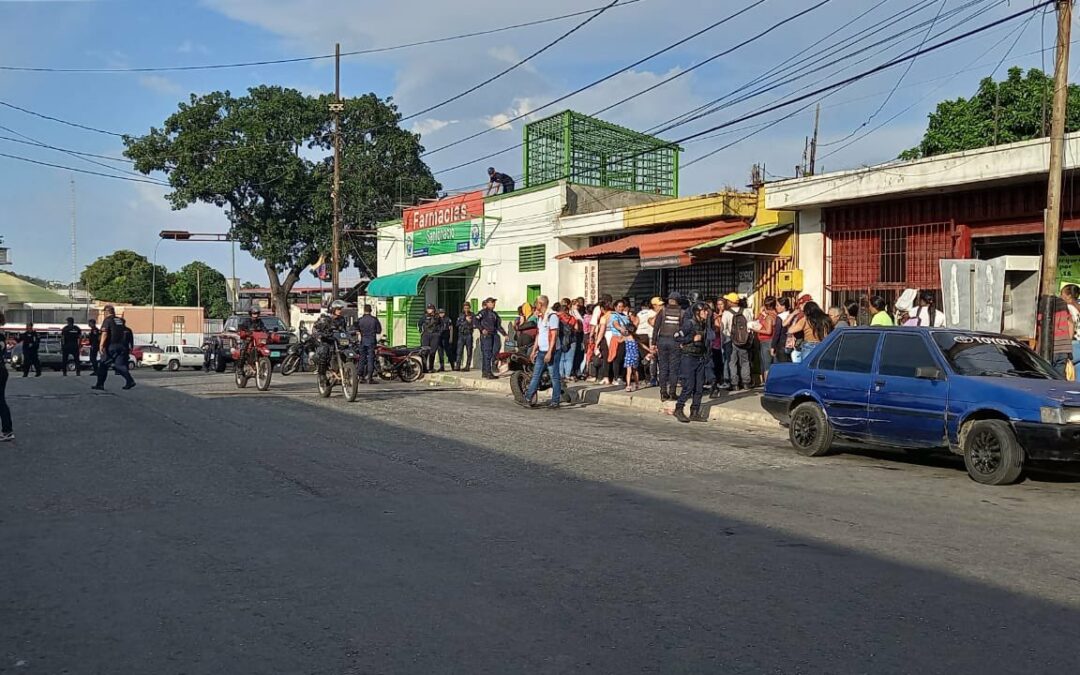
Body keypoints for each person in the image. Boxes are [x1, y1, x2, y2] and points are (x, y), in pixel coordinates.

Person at [517, 295, 562, 410]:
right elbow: (539, 334)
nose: (535, 305)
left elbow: (553, 336)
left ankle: (555, 400)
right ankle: (528, 397)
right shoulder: (541, 317)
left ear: (541, 304)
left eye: (536, 303)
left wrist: (549, 352)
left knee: (554, 376)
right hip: (541, 351)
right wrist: (533, 350)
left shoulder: (552, 316)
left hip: (552, 351)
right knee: (536, 375)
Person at [675, 301, 711, 423]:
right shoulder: (689, 324)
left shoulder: (703, 324)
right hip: (688, 357)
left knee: (699, 387)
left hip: (700, 357)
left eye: (707, 311)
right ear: (697, 312)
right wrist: (691, 338)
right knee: (688, 386)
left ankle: (695, 412)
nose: (707, 313)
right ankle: (679, 409)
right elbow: (676, 337)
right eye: (704, 311)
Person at [92, 305, 136, 391]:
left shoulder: (108, 320)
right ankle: (130, 380)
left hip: (111, 346)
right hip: (122, 346)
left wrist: (101, 345)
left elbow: (104, 333)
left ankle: (100, 384)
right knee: (120, 365)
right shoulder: (120, 320)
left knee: (103, 364)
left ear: (106, 312)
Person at [652, 292, 684, 401]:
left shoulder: (663, 311)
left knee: (663, 367)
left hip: (662, 340)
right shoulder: (682, 312)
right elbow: (684, 330)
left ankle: (663, 392)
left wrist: (653, 343)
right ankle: (672, 393)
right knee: (674, 369)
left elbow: (656, 328)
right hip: (675, 341)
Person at [723, 295, 754, 391]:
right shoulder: (746, 311)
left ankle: (735, 384)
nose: (727, 302)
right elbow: (750, 326)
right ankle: (746, 383)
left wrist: (726, 338)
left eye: (728, 300)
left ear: (731, 302)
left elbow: (723, 328)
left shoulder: (727, 313)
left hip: (731, 341)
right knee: (745, 362)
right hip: (744, 341)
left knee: (732, 362)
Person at [475, 298, 505, 379]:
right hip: (486, 335)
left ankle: (486, 371)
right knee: (487, 353)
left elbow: (498, 326)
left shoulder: (494, 314)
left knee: (493, 352)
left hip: (493, 334)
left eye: (494, 302)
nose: (493, 304)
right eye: (491, 302)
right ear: (487, 303)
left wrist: (505, 334)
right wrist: (482, 329)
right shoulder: (483, 312)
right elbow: (475, 320)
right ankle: (487, 372)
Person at [355, 304, 382, 383]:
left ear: (364, 310)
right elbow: (379, 331)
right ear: (371, 310)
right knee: (370, 359)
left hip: (363, 341)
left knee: (362, 358)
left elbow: (355, 329)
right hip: (371, 341)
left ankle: (360, 376)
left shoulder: (360, 320)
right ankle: (369, 377)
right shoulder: (374, 320)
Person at [555, 299, 579, 384]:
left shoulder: (558, 318)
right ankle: (567, 375)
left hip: (561, 339)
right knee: (569, 359)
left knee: (561, 358)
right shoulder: (573, 318)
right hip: (572, 340)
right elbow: (577, 329)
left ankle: (561, 375)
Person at [756, 296, 778, 383]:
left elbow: (768, 331)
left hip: (766, 340)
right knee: (774, 363)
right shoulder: (775, 315)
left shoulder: (769, 316)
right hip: (773, 340)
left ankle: (767, 384)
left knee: (767, 365)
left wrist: (755, 329)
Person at [0, 311, 13, 441]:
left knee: (0, 401)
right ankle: (7, 430)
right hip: (2, 370)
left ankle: (7, 430)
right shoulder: (2, 336)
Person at [772, 297, 796, 364]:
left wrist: (773, 346)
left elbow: (777, 333)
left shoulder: (780, 317)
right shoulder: (791, 315)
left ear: (783, 306)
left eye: (777, 305)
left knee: (781, 365)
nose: (776, 307)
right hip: (791, 343)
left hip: (781, 344)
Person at [418, 304, 441, 372]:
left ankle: (431, 368)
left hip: (434, 335)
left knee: (432, 352)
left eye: (431, 309)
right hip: (426, 335)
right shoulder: (424, 317)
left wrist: (438, 333)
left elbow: (441, 325)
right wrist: (420, 331)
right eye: (428, 309)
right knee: (424, 352)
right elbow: (419, 324)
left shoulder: (437, 317)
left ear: (434, 309)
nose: (429, 310)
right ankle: (424, 368)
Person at [1062, 284, 1080, 366]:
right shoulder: (1078, 306)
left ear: (1068, 296)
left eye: (1062, 294)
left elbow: (1070, 325)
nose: (1060, 296)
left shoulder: (1068, 307)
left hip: (1073, 344)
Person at [455, 303, 475, 372]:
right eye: (465, 308)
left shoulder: (472, 315)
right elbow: (457, 324)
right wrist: (464, 319)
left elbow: (474, 324)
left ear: (469, 308)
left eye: (467, 308)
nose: (466, 309)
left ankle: (467, 366)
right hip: (461, 334)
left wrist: (470, 321)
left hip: (468, 334)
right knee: (459, 351)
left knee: (469, 351)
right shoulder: (461, 315)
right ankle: (457, 366)